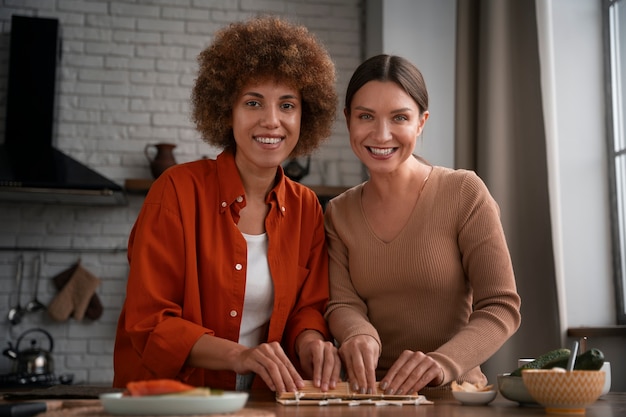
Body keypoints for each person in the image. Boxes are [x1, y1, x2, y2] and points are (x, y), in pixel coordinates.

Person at [113, 16, 341, 393]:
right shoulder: (175, 190)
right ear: (226, 111)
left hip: (264, 400)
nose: (272, 121)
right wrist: (240, 355)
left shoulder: (306, 208)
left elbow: (308, 309)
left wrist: (312, 343)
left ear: (305, 115)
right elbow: (151, 321)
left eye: (287, 105)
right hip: (172, 401)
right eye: (254, 103)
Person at [324, 54, 522, 396]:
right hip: (370, 396)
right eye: (366, 116)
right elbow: (342, 303)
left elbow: (500, 307)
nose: (381, 134)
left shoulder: (464, 192)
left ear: (421, 122)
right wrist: (359, 334)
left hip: (455, 397)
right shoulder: (338, 213)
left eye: (399, 117)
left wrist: (441, 363)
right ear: (348, 121)